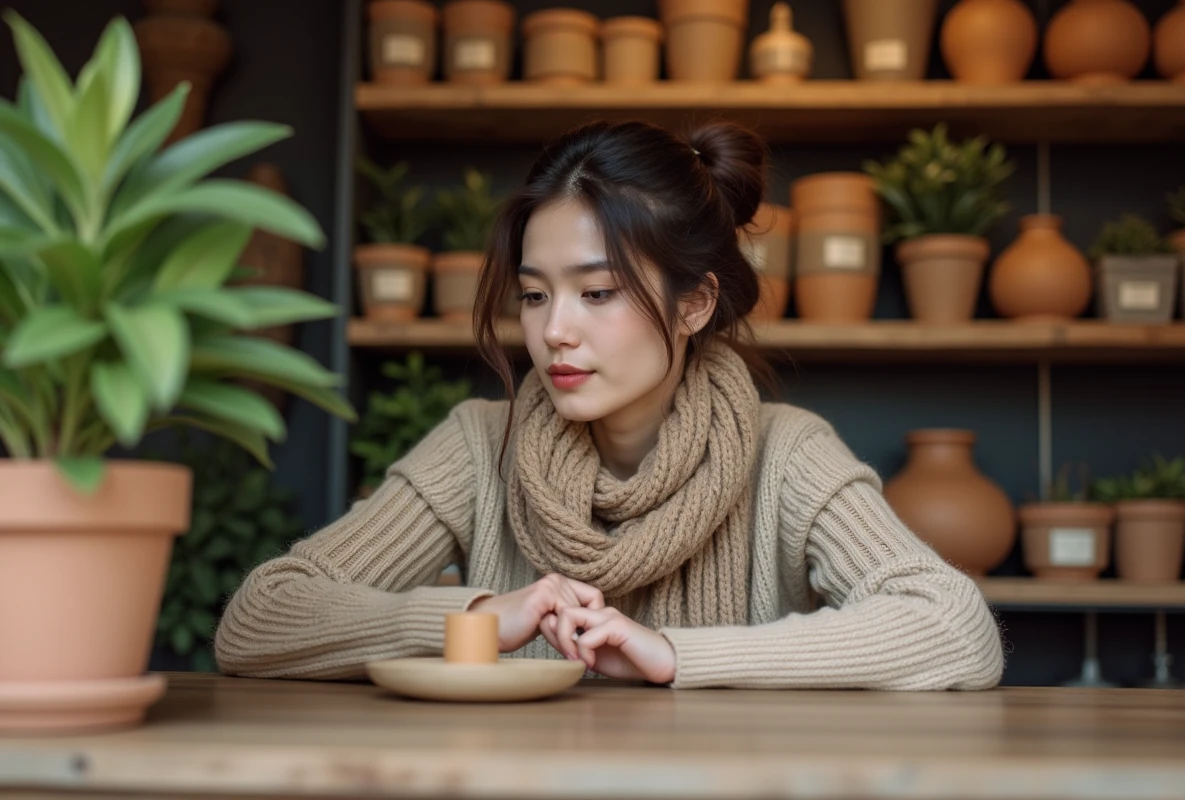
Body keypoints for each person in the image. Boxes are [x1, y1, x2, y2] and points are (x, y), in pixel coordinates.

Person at [214, 119, 1005, 690]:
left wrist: (679, 656)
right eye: (534, 294)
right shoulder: (480, 444)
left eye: (597, 292)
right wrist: (476, 616)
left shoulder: (786, 454)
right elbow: (259, 620)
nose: (553, 330)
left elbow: (953, 626)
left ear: (695, 304)